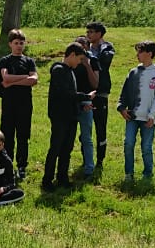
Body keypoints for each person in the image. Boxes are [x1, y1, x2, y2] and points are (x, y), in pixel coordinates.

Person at [43, 42, 91, 191]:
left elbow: (70, 97)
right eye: (79, 59)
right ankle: (47, 180)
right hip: (60, 116)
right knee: (56, 147)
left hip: (71, 116)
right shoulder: (59, 70)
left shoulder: (70, 71)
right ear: (72, 55)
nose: (79, 62)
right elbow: (65, 94)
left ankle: (62, 177)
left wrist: (81, 105)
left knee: (67, 148)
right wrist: (86, 96)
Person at [118, 40, 155, 182]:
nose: (137, 55)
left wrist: (152, 115)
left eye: (140, 52)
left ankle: (147, 174)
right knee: (128, 144)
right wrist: (121, 108)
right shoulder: (133, 72)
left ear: (149, 54)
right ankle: (129, 174)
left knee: (146, 147)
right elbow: (124, 92)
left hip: (148, 119)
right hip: (132, 117)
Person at [0, 29, 38, 181]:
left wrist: (14, 81)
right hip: (9, 104)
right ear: (10, 44)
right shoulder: (5, 61)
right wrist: (25, 77)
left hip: (25, 104)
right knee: (7, 135)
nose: (19, 46)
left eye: (21, 43)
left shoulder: (29, 61)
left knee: (23, 136)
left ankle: (21, 166)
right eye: (16, 43)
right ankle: (7, 165)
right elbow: (5, 78)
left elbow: (34, 80)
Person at [84, 22, 116, 172]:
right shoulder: (85, 46)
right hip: (86, 92)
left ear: (99, 34)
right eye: (87, 32)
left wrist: (88, 56)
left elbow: (104, 62)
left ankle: (100, 160)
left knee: (100, 128)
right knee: (85, 129)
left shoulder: (107, 48)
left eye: (91, 32)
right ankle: (86, 159)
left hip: (101, 92)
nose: (88, 35)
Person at [73, 33, 100, 178]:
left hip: (86, 101)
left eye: (83, 49)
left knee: (86, 137)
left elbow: (95, 84)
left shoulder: (93, 61)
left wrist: (87, 65)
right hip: (71, 101)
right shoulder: (70, 61)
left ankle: (89, 167)